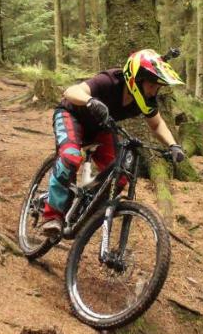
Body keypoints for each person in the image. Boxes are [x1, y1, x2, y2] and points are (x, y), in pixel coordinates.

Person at [40, 49, 187, 238]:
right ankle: (52, 215)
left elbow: (157, 124)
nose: (154, 91)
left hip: (100, 128)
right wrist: (90, 100)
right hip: (71, 115)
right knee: (70, 157)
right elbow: (70, 91)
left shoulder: (146, 101)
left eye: (158, 87)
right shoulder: (110, 81)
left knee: (121, 177)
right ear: (136, 78)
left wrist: (173, 145)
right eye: (151, 84)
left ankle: (84, 212)